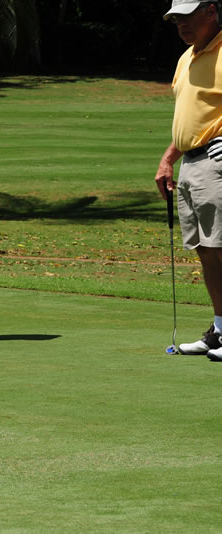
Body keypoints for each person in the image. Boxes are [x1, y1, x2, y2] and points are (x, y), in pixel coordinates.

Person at [156, 0, 222, 362]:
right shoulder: (186, 58)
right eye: (176, 18)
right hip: (190, 165)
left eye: (188, 15)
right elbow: (190, 118)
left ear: (211, 10)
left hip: (217, 163)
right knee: (206, 250)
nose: (181, 23)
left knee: (221, 248)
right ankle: (220, 330)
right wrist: (169, 159)